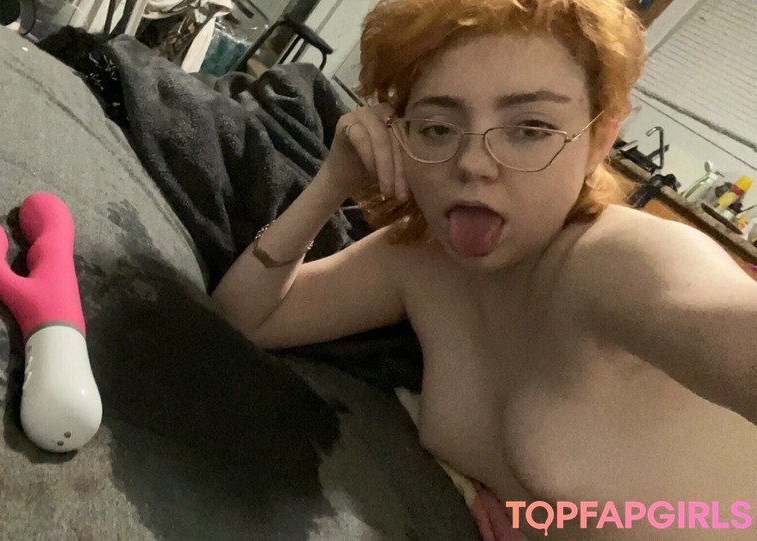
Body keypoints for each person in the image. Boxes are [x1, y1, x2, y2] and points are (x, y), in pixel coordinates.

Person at [210, 0, 757, 538]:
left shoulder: (625, 261)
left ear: (599, 141)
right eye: (437, 128)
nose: (472, 163)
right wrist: (333, 181)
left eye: (531, 128)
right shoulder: (419, 259)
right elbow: (246, 319)